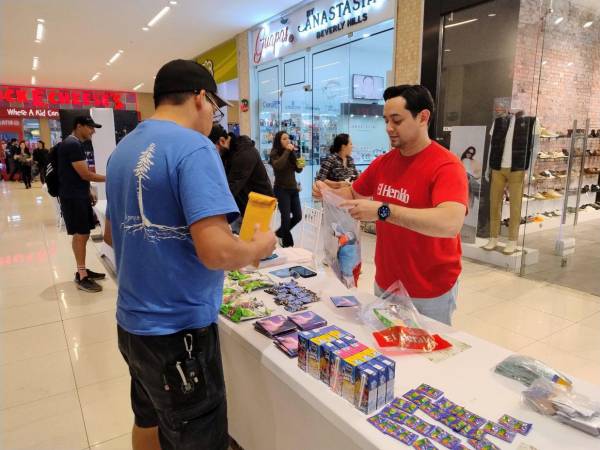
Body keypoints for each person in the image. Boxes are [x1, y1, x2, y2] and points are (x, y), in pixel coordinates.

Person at [104, 59, 276, 450]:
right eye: (215, 108)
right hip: (180, 336)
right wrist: (259, 247)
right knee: (199, 438)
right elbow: (216, 252)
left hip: (132, 326)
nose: (213, 118)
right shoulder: (193, 147)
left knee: (148, 420)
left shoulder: (124, 149)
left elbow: (113, 237)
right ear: (200, 97)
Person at [313, 85, 468, 325]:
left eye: (396, 120)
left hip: (429, 289)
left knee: (425, 359)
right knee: (388, 352)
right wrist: (327, 192)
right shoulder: (383, 163)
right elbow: (353, 193)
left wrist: (384, 211)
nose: (388, 128)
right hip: (386, 283)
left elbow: (450, 223)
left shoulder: (446, 166)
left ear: (423, 117)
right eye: (386, 120)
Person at [57, 116, 107, 293]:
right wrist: (112, 177)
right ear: (79, 126)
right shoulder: (73, 145)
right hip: (72, 197)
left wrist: (87, 191)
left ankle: (82, 269)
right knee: (80, 234)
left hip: (78, 195)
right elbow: (86, 174)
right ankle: (81, 275)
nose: (93, 131)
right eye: (90, 127)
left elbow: (78, 175)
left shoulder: (74, 144)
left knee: (83, 233)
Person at [208, 124, 274, 233]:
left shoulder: (244, 153)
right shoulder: (229, 154)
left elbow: (231, 187)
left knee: (251, 245)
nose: (212, 154)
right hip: (244, 205)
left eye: (212, 148)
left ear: (222, 141)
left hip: (259, 206)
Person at [269, 131, 304, 247]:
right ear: (279, 141)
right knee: (286, 218)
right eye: (284, 139)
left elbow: (298, 170)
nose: (287, 140)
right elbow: (278, 166)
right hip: (281, 189)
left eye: (288, 138)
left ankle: (280, 233)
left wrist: (300, 164)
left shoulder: (291, 152)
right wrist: (287, 151)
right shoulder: (274, 153)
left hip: (293, 189)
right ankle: (287, 243)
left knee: (298, 216)